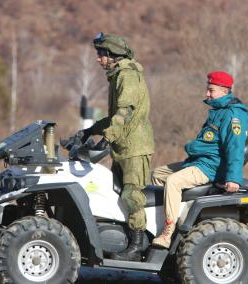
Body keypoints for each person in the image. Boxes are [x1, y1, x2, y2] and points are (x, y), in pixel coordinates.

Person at [152, 71, 248, 249]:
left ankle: (168, 233)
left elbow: (235, 147)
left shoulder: (232, 115)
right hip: (199, 161)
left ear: (223, 90)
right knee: (158, 174)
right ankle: (167, 220)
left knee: (173, 181)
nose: (207, 94)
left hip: (210, 167)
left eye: (211, 90)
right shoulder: (218, 110)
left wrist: (233, 178)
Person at [78, 32, 154, 261]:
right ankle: (120, 238)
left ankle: (137, 245)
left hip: (134, 147)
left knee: (132, 195)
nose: (98, 59)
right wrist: (87, 132)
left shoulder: (127, 75)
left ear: (113, 55)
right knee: (117, 194)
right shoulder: (117, 75)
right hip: (123, 146)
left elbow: (125, 112)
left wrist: (107, 137)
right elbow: (113, 117)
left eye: (101, 54)